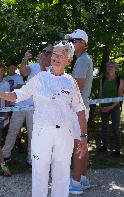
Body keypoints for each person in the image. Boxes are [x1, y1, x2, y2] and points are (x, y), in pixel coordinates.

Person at [0, 42, 88, 197]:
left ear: (69, 59)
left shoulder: (71, 81)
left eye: (61, 55)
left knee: (61, 172)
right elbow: (18, 95)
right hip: (42, 132)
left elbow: (80, 110)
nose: (56, 58)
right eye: (54, 54)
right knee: (40, 171)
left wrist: (83, 137)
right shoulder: (40, 77)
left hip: (64, 134)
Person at [2, 46, 54, 167]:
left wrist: (41, 64)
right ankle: (5, 155)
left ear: (52, 55)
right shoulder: (35, 65)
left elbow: (44, 81)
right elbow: (23, 72)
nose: (44, 54)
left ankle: (31, 160)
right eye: (43, 51)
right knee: (13, 129)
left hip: (36, 107)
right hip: (22, 103)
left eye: (47, 52)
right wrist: (25, 60)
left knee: (32, 134)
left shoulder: (52, 69)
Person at [65, 29, 93, 195]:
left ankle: (75, 183)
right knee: (82, 144)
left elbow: (78, 86)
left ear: (82, 43)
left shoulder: (82, 60)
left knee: (78, 145)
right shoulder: (82, 59)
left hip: (78, 109)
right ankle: (82, 178)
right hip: (82, 108)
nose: (71, 43)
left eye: (74, 40)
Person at [99, 61, 124, 157]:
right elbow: (101, 93)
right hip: (104, 107)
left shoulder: (120, 80)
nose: (109, 68)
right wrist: (100, 105)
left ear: (116, 68)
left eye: (112, 66)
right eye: (108, 66)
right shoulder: (103, 79)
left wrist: (111, 106)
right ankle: (104, 146)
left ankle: (117, 149)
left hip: (115, 107)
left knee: (115, 128)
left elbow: (119, 97)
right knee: (104, 127)